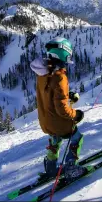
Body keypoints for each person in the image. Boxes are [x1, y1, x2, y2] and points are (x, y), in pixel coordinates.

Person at [30, 37, 85, 180]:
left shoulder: (42, 74)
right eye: (68, 55)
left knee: (55, 139)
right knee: (77, 138)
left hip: (46, 122)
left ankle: (50, 167)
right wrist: (76, 114)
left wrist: (68, 97)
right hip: (59, 121)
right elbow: (61, 109)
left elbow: (50, 96)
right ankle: (71, 166)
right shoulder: (60, 77)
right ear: (63, 55)